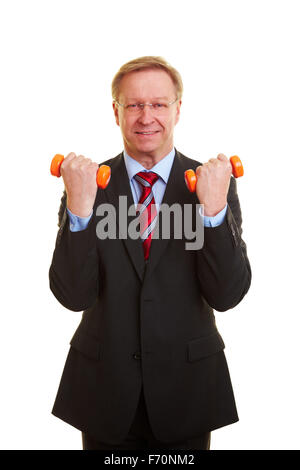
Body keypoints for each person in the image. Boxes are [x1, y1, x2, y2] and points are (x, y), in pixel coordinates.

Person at [49, 56, 251, 450]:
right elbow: (73, 296)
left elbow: (227, 295)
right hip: (105, 392)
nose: (147, 117)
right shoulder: (89, 184)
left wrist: (212, 213)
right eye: (135, 105)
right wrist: (79, 210)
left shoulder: (211, 184)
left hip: (187, 389)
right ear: (116, 111)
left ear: (178, 109)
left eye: (158, 104)